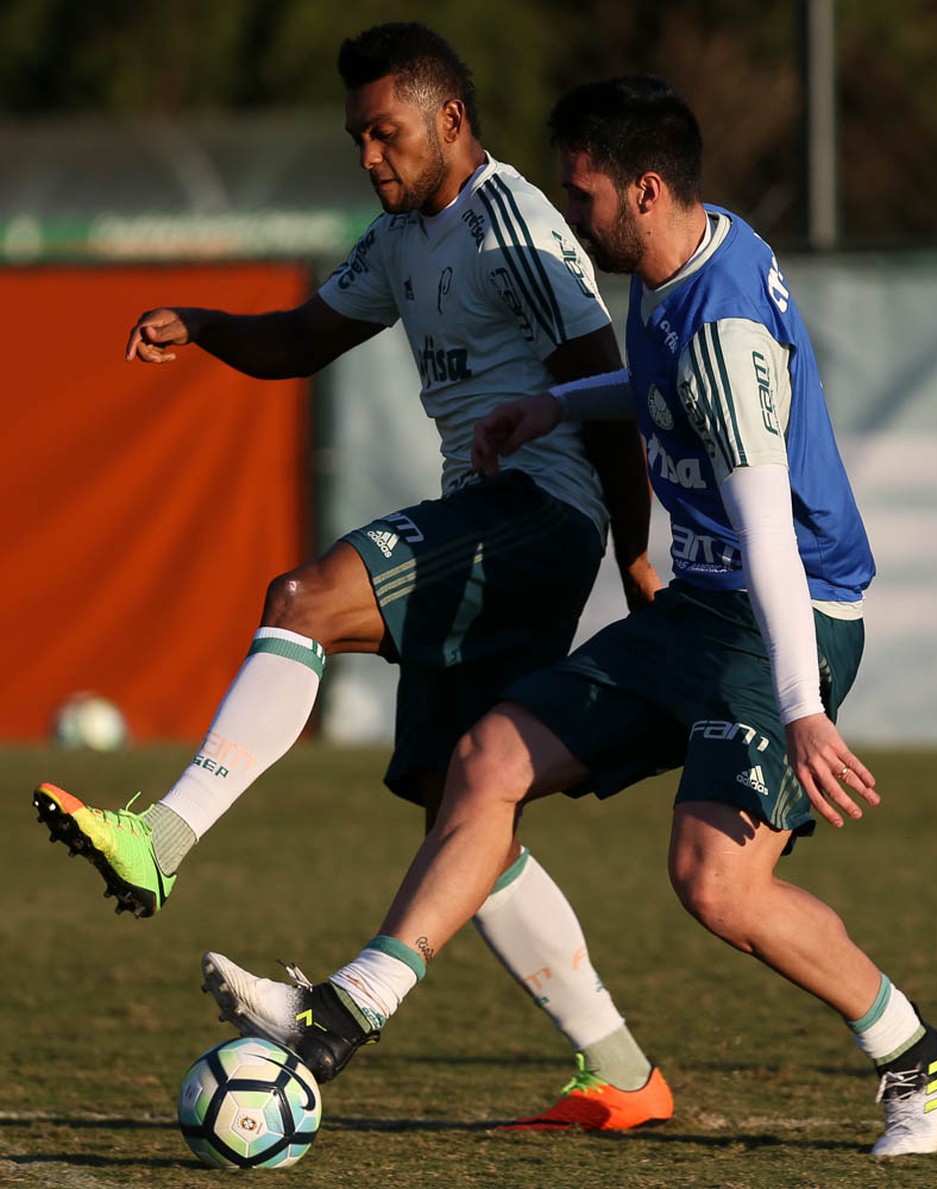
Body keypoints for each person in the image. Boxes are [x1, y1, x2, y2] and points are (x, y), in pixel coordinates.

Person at [200, 76, 937, 1157]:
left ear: (644, 191)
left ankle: (914, 1054)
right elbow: (657, 385)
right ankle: (341, 1016)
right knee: (486, 757)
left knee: (716, 884)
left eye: (583, 193)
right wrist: (557, 402)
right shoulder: (686, 255)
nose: (570, 213)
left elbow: (768, 535)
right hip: (699, 610)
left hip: (772, 622)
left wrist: (799, 705)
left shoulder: (721, 329)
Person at [32, 31, 674, 1132]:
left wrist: (631, 552)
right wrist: (205, 323)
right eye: (357, 137)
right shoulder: (395, 236)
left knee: (303, 600)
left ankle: (163, 840)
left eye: (387, 131)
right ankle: (621, 1072)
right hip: (502, 526)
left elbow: (598, 387)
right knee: (462, 815)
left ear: (450, 122)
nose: (370, 155)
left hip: (536, 516)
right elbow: (303, 338)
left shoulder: (514, 221)